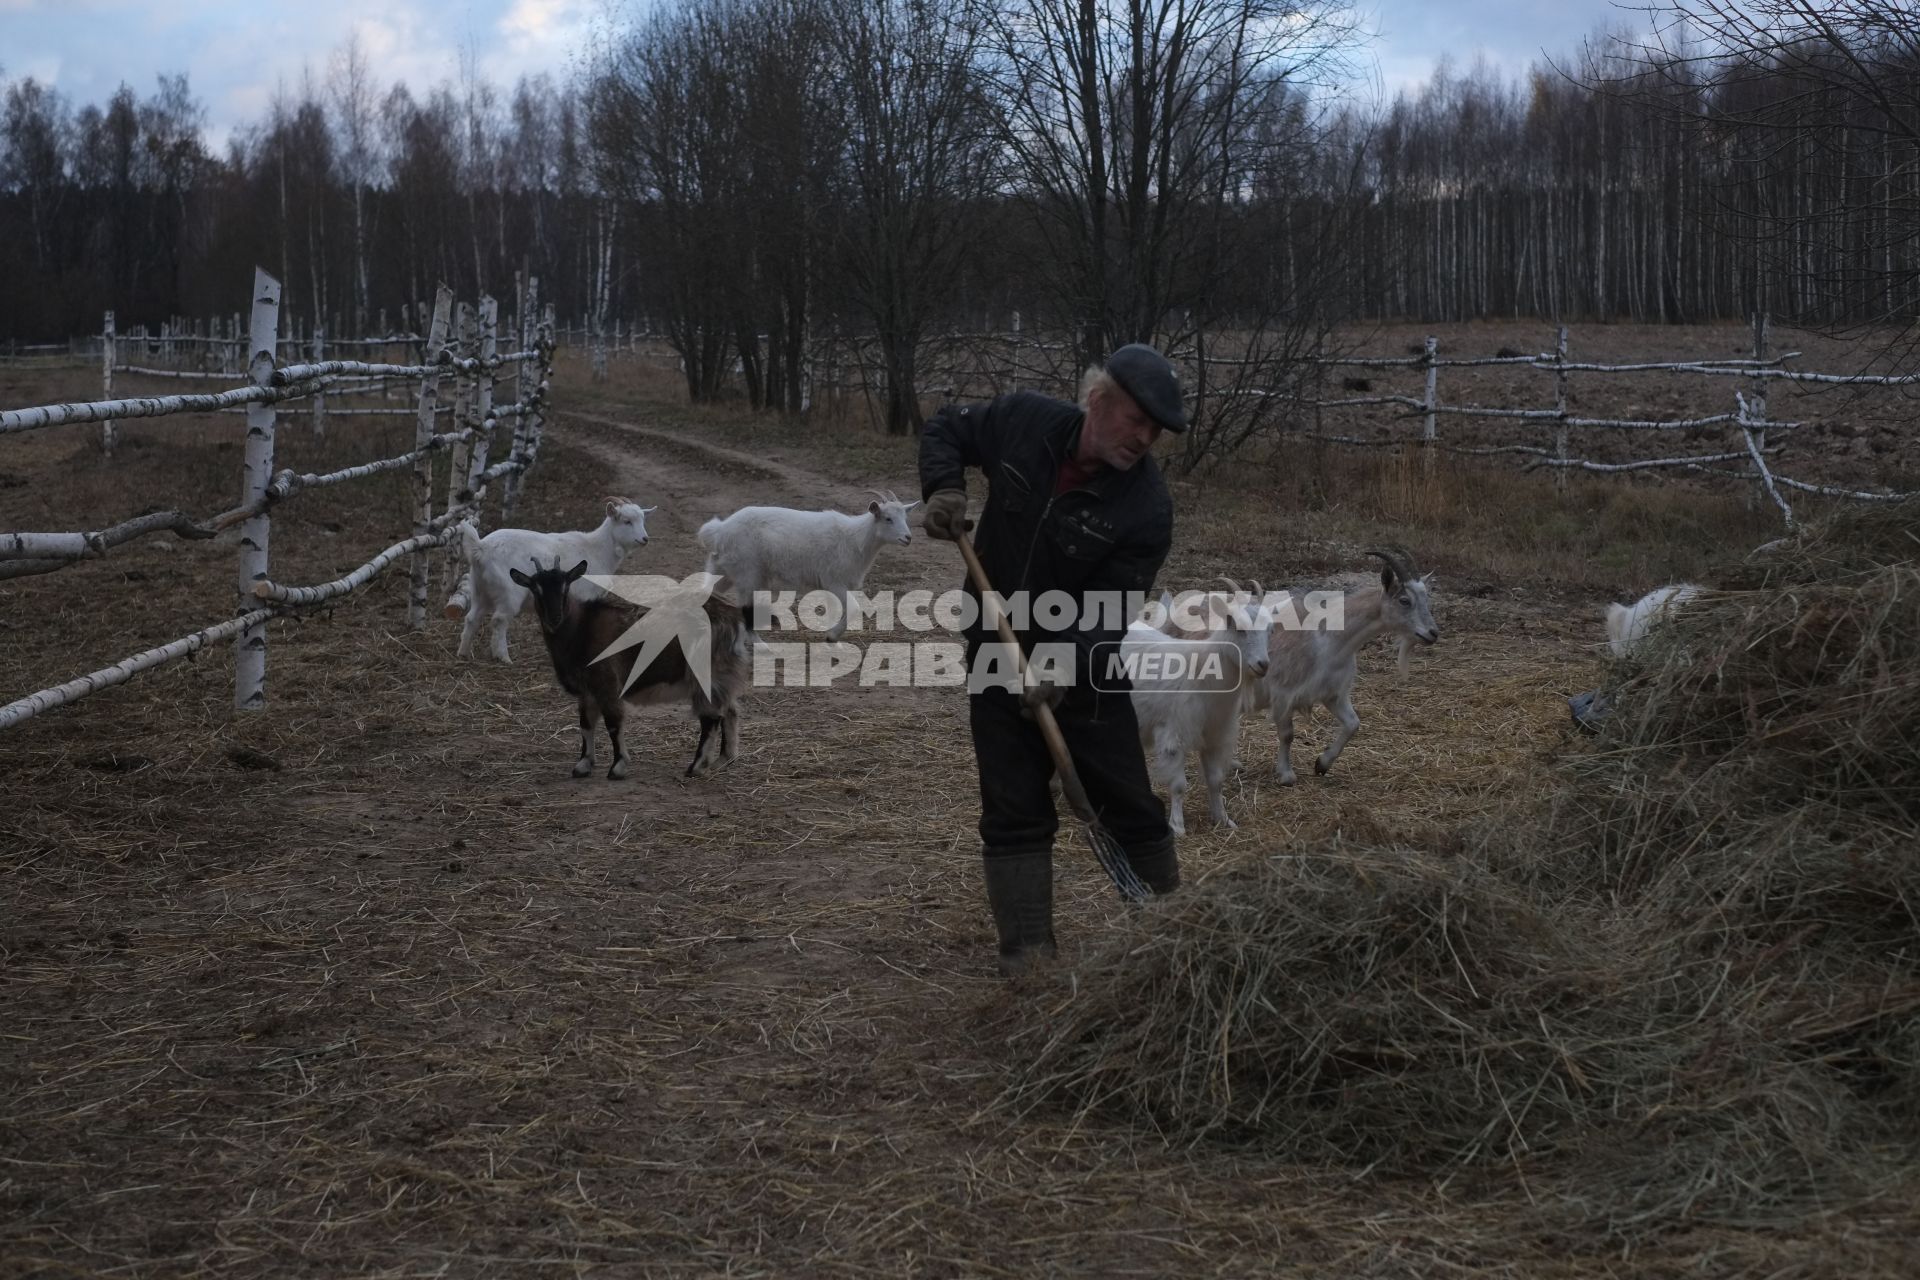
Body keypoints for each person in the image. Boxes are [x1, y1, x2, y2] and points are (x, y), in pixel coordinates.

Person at [919, 343, 1186, 976]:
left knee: (1127, 804)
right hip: (995, 652)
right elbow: (947, 427)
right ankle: (1028, 961)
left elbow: (1111, 610)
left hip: (1085, 677)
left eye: (1156, 430)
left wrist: (1060, 665)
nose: (1145, 438)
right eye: (1136, 420)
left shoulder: (1145, 507)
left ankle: (1175, 943)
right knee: (1012, 807)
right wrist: (945, 488)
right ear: (1098, 402)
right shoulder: (1024, 423)